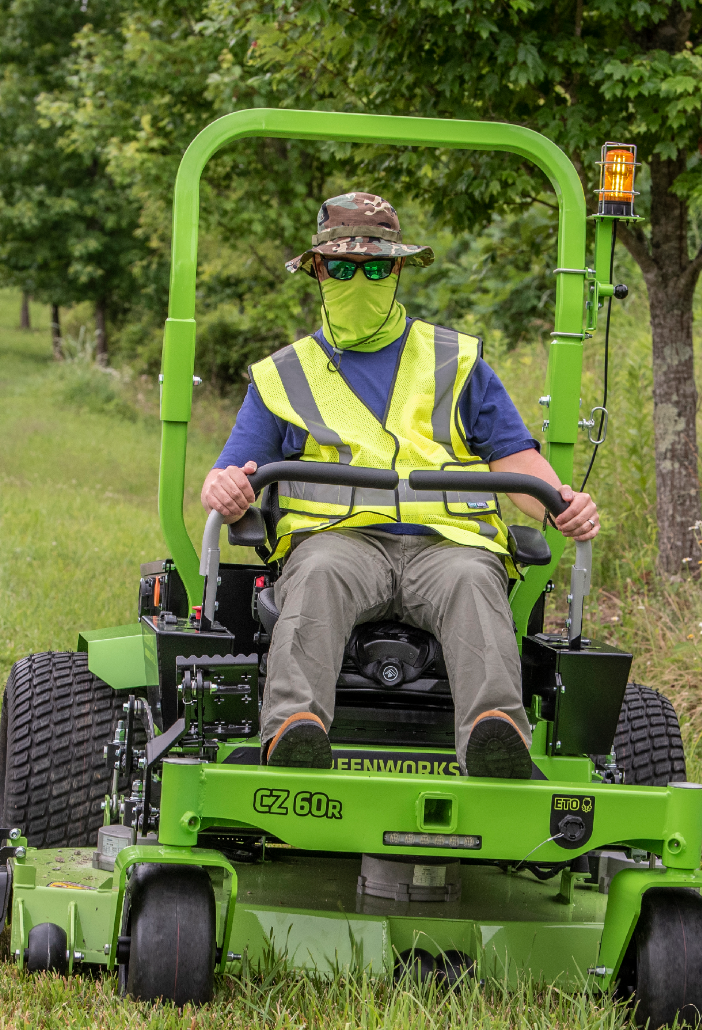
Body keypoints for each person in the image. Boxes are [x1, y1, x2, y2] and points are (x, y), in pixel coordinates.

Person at [201, 193, 599, 778]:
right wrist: (223, 491)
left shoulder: (455, 361)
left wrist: (562, 502)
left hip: (447, 546)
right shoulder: (283, 375)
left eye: (375, 267)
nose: (358, 278)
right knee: (317, 574)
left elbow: (515, 459)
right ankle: (293, 730)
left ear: (398, 270)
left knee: (472, 579)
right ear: (317, 271)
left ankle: (496, 739)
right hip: (339, 544)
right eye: (341, 267)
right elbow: (233, 473)